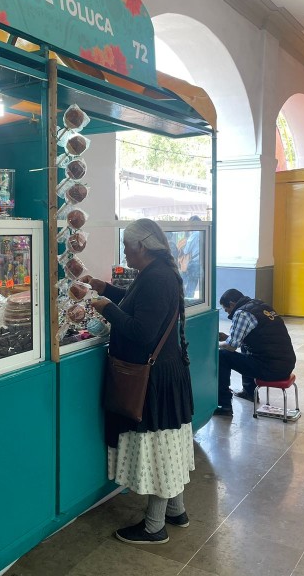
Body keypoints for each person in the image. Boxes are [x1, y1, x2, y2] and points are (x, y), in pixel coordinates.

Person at [82, 218, 194, 545]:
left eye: (128, 247)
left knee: (158, 449)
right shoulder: (154, 272)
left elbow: (141, 332)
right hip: (164, 374)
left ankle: (153, 526)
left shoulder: (157, 277)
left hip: (155, 379)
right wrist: (105, 290)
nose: (125, 253)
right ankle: (176, 510)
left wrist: (107, 309)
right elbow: (138, 304)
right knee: (168, 445)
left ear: (142, 247)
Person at [217, 289, 296, 408]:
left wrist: (214, 344)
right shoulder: (260, 305)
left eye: (227, 309)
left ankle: (224, 405)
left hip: (271, 369)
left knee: (222, 355)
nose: (228, 314)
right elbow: (260, 337)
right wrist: (228, 337)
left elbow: (231, 346)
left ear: (232, 304)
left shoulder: (242, 313)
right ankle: (249, 392)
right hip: (286, 364)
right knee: (245, 344)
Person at [180, 216, 202, 299]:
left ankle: (187, 302)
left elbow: (186, 250)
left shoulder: (194, 234)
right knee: (193, 283)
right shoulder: (202, 232)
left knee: (189, 284)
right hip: (200, 261)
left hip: (194, 262)